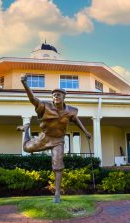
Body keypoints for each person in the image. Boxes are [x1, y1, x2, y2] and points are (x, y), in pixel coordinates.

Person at [17, 75, 91, 203]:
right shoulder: (45, 106)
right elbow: (32, 99)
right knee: (26, 148)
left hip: (58, 141)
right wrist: (25, 84)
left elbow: (76, 120)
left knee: (58, 166)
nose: (56, 96)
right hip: (45, 138)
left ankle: (57, 194)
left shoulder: (71, 111)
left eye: (58, 94)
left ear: (64, 97)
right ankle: (26, 129)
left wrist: (85, 132)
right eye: (54, 95)